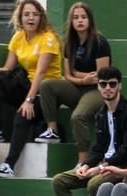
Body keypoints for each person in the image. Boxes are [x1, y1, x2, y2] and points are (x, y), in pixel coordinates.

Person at [0, 0, 62, 177]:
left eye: (35, 14)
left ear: (41, 17)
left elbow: (41, 73)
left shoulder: (48, 38)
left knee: (22, 115)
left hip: (45, 93)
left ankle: (9, 165)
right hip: (26, 87)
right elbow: (8, 68)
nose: (30, 18)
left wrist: (28, 101)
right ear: (20, 18)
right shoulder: (18, 37)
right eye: (26, 14)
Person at [51, 66, 127, 196]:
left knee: (94, 184)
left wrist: (101, 167)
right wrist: (86, 165)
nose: (108, 88)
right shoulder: (101, 114)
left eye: (112, 84)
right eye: (103, 84)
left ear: (119, 86)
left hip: (122, 167)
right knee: (59, 181)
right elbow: (98, 148)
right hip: (103, 166)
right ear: (98, 87)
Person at [34, 2, 111, 167]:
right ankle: (52, 130)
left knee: (78, 116)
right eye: (76, 17)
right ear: (71, 21)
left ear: (90, 20)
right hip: (78, 87)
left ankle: (83, 161)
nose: (80, 21)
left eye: (83, 17)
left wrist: (79, 75)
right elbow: (68, 75)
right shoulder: (69, 43)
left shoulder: (99, 42)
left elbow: (102, 76)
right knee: (47, 85)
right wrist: (82, 79)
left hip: (98, 91)